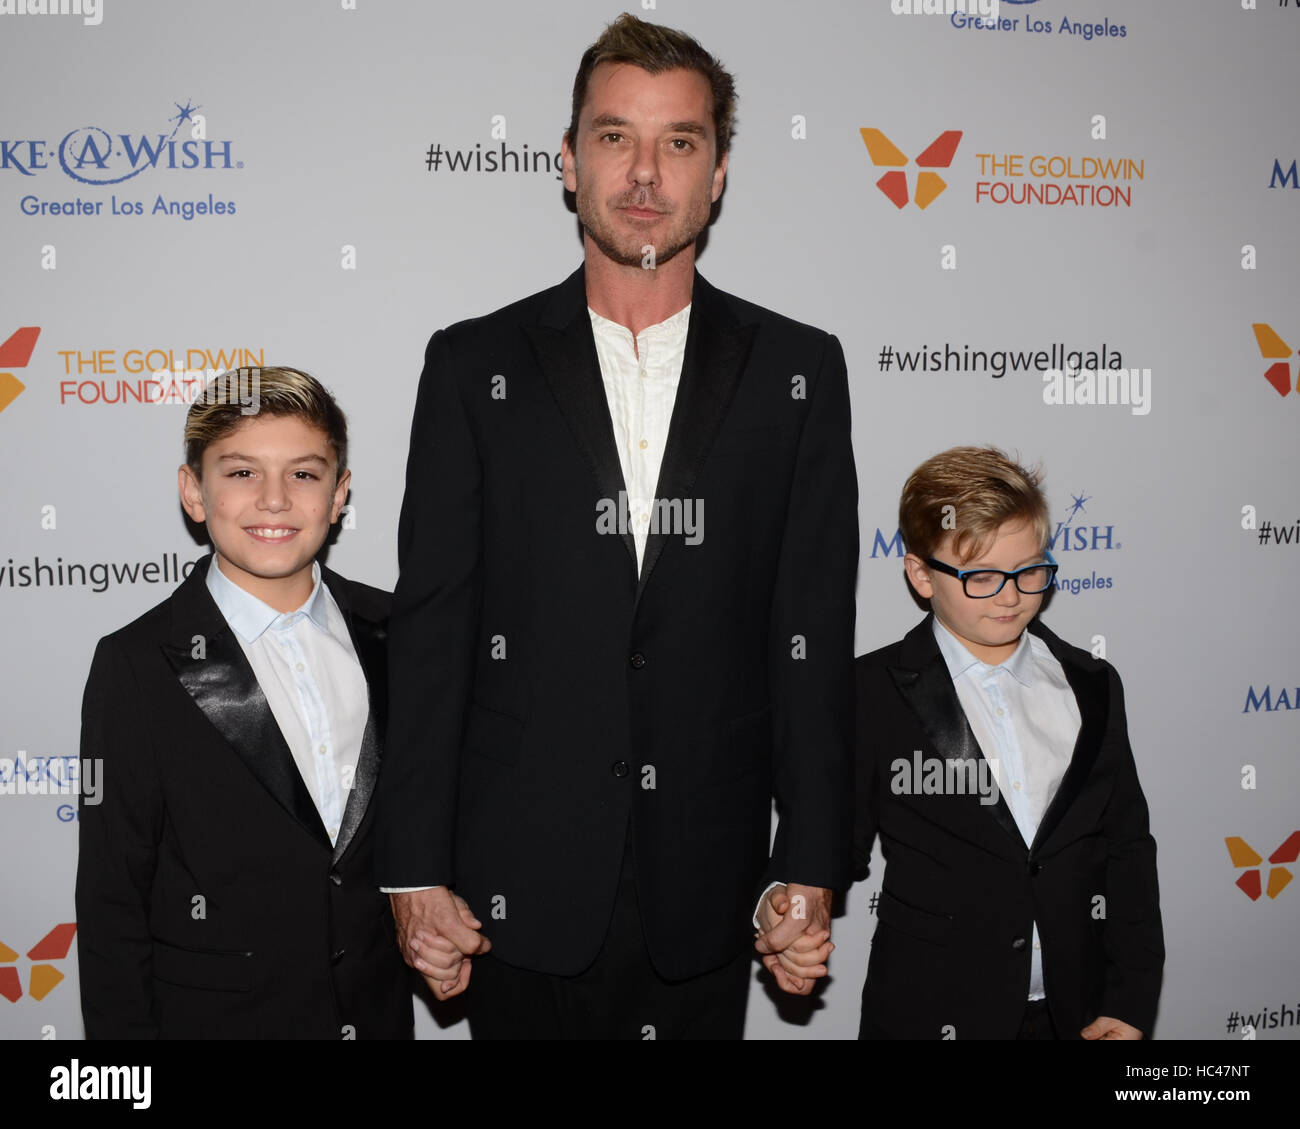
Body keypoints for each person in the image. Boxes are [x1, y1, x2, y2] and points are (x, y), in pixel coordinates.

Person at [377, 13, 858, 1038]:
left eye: (679, 141)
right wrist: (414, 869)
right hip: (512, 886)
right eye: (613, 137)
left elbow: (809, 639)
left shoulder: (797, 372)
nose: (644, 172)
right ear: (567, 160)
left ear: (719, 170)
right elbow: (432, 632)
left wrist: (809, 864)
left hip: (711, 881)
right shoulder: (473, 367)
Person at [76, 367, 413, 1039]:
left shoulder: (402, 633)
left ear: (339, 494)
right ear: (192, 493)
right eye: (240, 473)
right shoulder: (138, 664)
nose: (274, 500)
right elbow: (114, 902)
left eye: (305, 474)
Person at [854, 446, 1164, 1040]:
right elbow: (828, 845)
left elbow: (1127, 847)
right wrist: (788, 905)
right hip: (929, 1010)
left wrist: (1129, 999)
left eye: (1030, 572)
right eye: (981, 576)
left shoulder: (1092, 684)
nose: (1011, 595)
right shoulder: (868, 693)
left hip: (1078, 1014)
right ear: (921, 575)